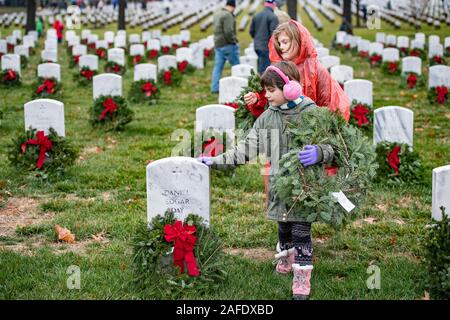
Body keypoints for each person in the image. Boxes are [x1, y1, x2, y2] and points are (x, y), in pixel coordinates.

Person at [198, 61, 335, 300]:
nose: (266, 95)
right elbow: (245, 149)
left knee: (301, 229)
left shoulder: (313, 114)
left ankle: (302, 277)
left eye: (271, 90)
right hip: (279, 186)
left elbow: (336, 146)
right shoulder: (266, 119)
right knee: (283, 226)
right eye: (266, 90)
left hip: (304, 187)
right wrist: (217, 161)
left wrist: (321, 152)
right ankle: (286, 257)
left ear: (290, 88)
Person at [244, 20, 350, 121]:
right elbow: (268, 95)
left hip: (311, 128)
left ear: (298, 40)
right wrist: (257, 99)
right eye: (279, 43)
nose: (281, 47)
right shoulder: (278, 68)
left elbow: (330, 100)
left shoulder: (315, 68)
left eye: (285, 42)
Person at [210, 0, 240, 94]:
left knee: (218, 67)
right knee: (237, 66)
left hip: (218, 44)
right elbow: (228, 31)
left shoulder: (217, 13)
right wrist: (234, 41)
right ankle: (240, 87)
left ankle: (214, 88)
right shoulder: (228, 15)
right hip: (228, 45)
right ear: (233, 6)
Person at [249, 0, 279, 74]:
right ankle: (261, 84)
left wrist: (257, 39)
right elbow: (273, 34)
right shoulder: (273, 17)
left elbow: (251, 31)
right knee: (264, 71)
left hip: (257, 45)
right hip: (266, 47)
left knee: (261, 66)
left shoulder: (256, 15)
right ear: (273, 5)